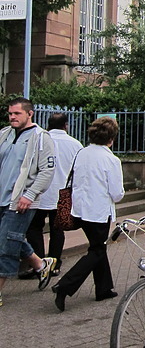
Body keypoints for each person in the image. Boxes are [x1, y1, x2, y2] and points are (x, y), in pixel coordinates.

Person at [52, 116, 124, 312]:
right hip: (98, 212)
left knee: (97, 247)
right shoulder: (111, 159)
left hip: (80, 209)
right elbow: (117, 194)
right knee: (97, 251)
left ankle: (104, 288)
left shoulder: (82, 153)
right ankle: (65, 285)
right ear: (112, 138)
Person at [0, 97, 58, 307]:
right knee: (10, 237)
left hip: (21, 202)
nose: (12, 117)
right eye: (10, 114)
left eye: (17, 113)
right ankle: (41, 264)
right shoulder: (5, 134)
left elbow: (47, 170)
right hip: (1, 198)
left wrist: (30, 194)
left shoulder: (42, 138)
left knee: (5, 245)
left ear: (29, 114)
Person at [25, 113, 83, 277]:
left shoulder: (39, 140)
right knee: (57, 230)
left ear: (48, 124)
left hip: (39, 193)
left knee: (34, 228)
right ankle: (55, 263)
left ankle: (38, 263)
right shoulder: (75, 144)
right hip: (62, 194)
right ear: (66, 125)